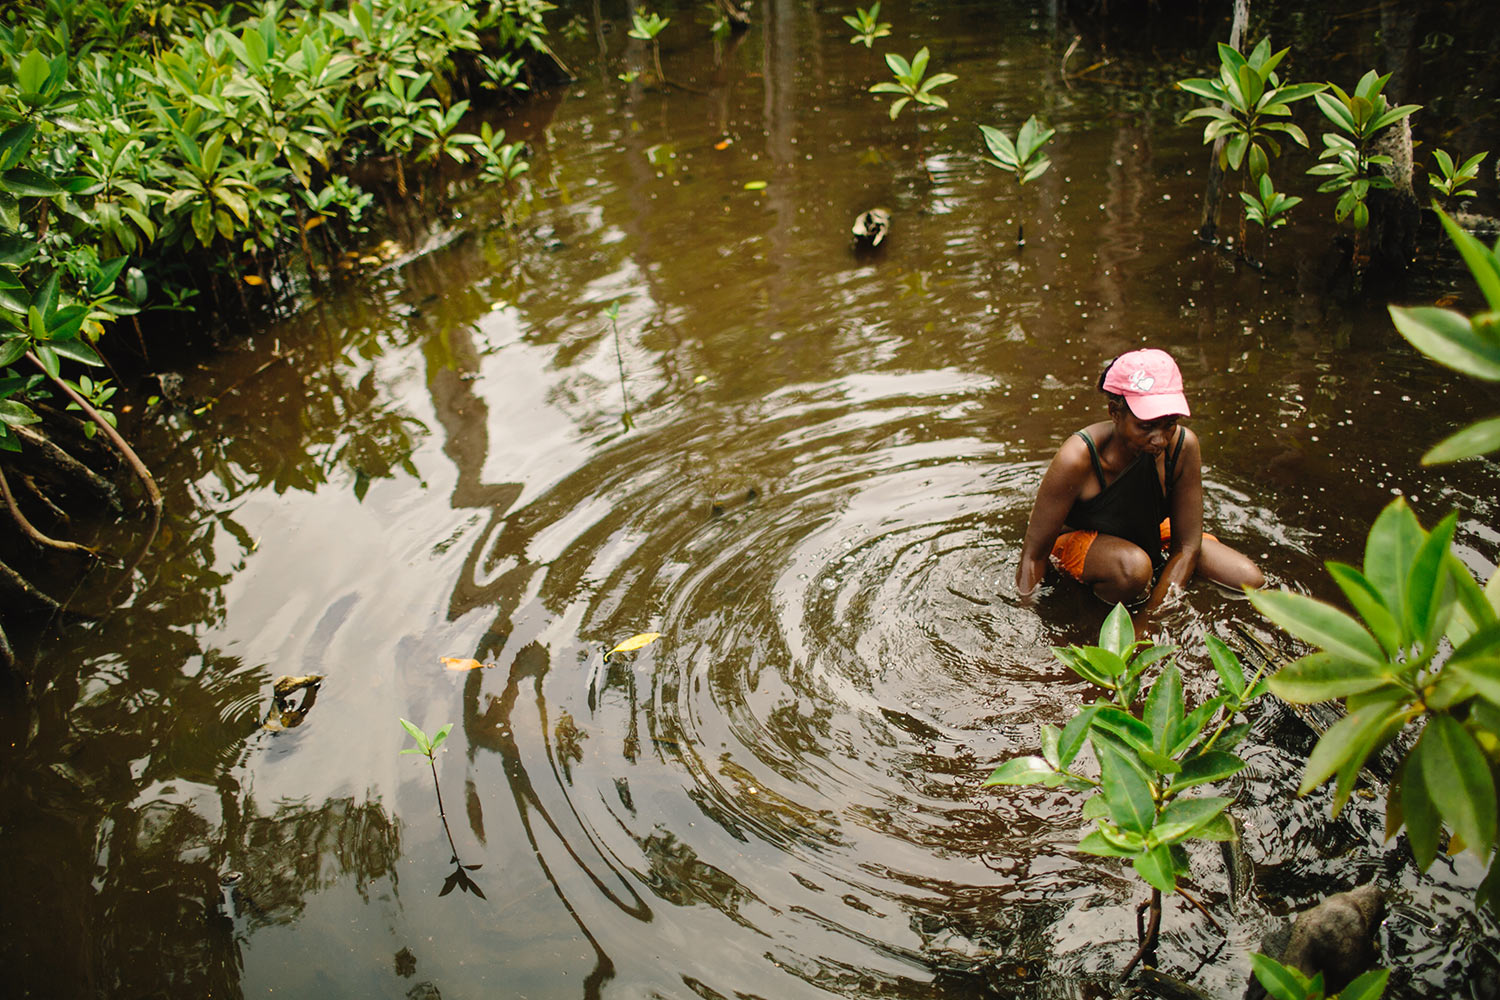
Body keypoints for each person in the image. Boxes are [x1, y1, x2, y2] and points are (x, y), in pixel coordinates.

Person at [1015, 348, 1264, 613]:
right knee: (1132, 570)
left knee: (1248, 579)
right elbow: (1034, 555)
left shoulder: (1182, 446)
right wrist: (1027, 615)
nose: (1160, 439)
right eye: (1146, 426)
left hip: (1148, 532)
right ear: (1115, 412)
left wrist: (1151, 620)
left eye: (1169, 424)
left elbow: (1187, 546)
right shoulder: (1079, 457)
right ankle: (1091, 609)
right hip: (1081, 542)